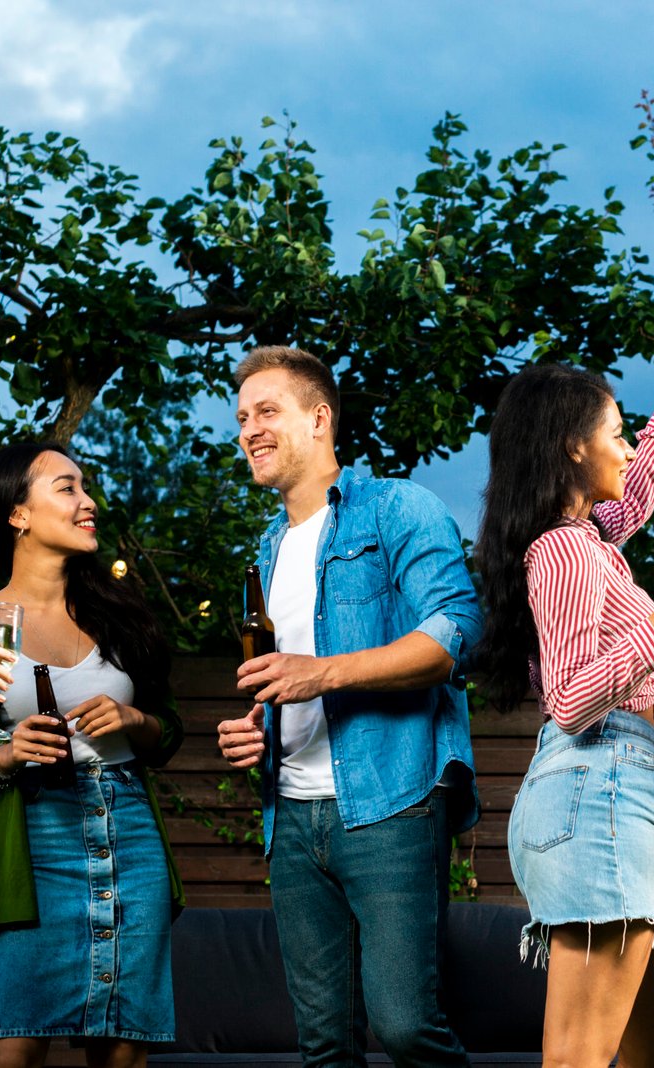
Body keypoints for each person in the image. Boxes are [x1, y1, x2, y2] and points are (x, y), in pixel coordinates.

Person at [473, 318, 654, 1068]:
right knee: (580, 1058)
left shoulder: (585, 540)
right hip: (595, 791)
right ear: (572, 446)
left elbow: (636, 496)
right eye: (616, 433)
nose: (628, 448)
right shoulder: (562, 550)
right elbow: (570, 699)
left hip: (598, 791)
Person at [216, 346, 483, 1067]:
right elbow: (290, 680)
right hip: (293, 817)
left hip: (391, 804)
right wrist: (255, 733)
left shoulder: (399, 509)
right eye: (241, 417)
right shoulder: (269, 549)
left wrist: (322, 675)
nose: (249, 430)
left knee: (404, 1027)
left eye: (267, 412)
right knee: (324, 1046)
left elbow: (452, 637)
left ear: (319, 418)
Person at [0, 442, 186, 1068]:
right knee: (11, 1044)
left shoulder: (119, 614)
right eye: (67, 488)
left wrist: (135, 721)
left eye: (85, 488)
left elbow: (170, 729)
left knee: (124, 1043)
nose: (89, 503)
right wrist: (6, 755)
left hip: (129, 835)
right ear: (17, 514)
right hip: (33, 846)